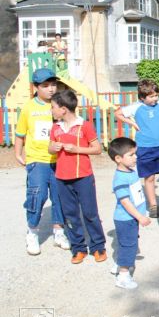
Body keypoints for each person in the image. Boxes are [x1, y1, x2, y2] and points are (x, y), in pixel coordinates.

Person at [14, 68, 69, 255]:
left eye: (53, 85)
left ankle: (59, 231)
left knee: (59, 196)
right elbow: (20, 133)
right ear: (36, 87)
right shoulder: (29, 108)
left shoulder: (61, 105)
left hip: (59, 159)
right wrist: (18, 153)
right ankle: (32, 231)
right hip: (37, 159)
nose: (51, 89)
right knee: (37, 195)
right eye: (45, 86)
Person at [49, 90, 106, 264]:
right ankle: (78, 248)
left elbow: (97, 149)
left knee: (90, 213)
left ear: (63, 109)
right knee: (71, 215)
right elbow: (50, 148)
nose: (51, 110)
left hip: (83, 176)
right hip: (62, 177)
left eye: (53, 107)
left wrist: (77, 149)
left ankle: (98, 246)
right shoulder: (55, 127)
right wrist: (54, 147)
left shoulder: (85, 126)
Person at [114, 79, 159, 218]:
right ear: (142, 97)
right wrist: (132, 123)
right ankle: (153, 205)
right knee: (149, 177)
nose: (155, 98)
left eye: (156, 95)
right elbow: (118, 113)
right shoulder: (135, 107)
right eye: (151, 96)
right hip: (145, 147)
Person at [108, 137, 151, 290]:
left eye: (135, 154)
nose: (135, 157)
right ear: (118, 159)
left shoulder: (132, 170)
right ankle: (123, 275)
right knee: (129, 245)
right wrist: (140, 216)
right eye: (131, 155)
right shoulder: (120, 179)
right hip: (126, 218)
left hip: (132, 217)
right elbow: (125, 202)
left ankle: (120, 263)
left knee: (128, 242)